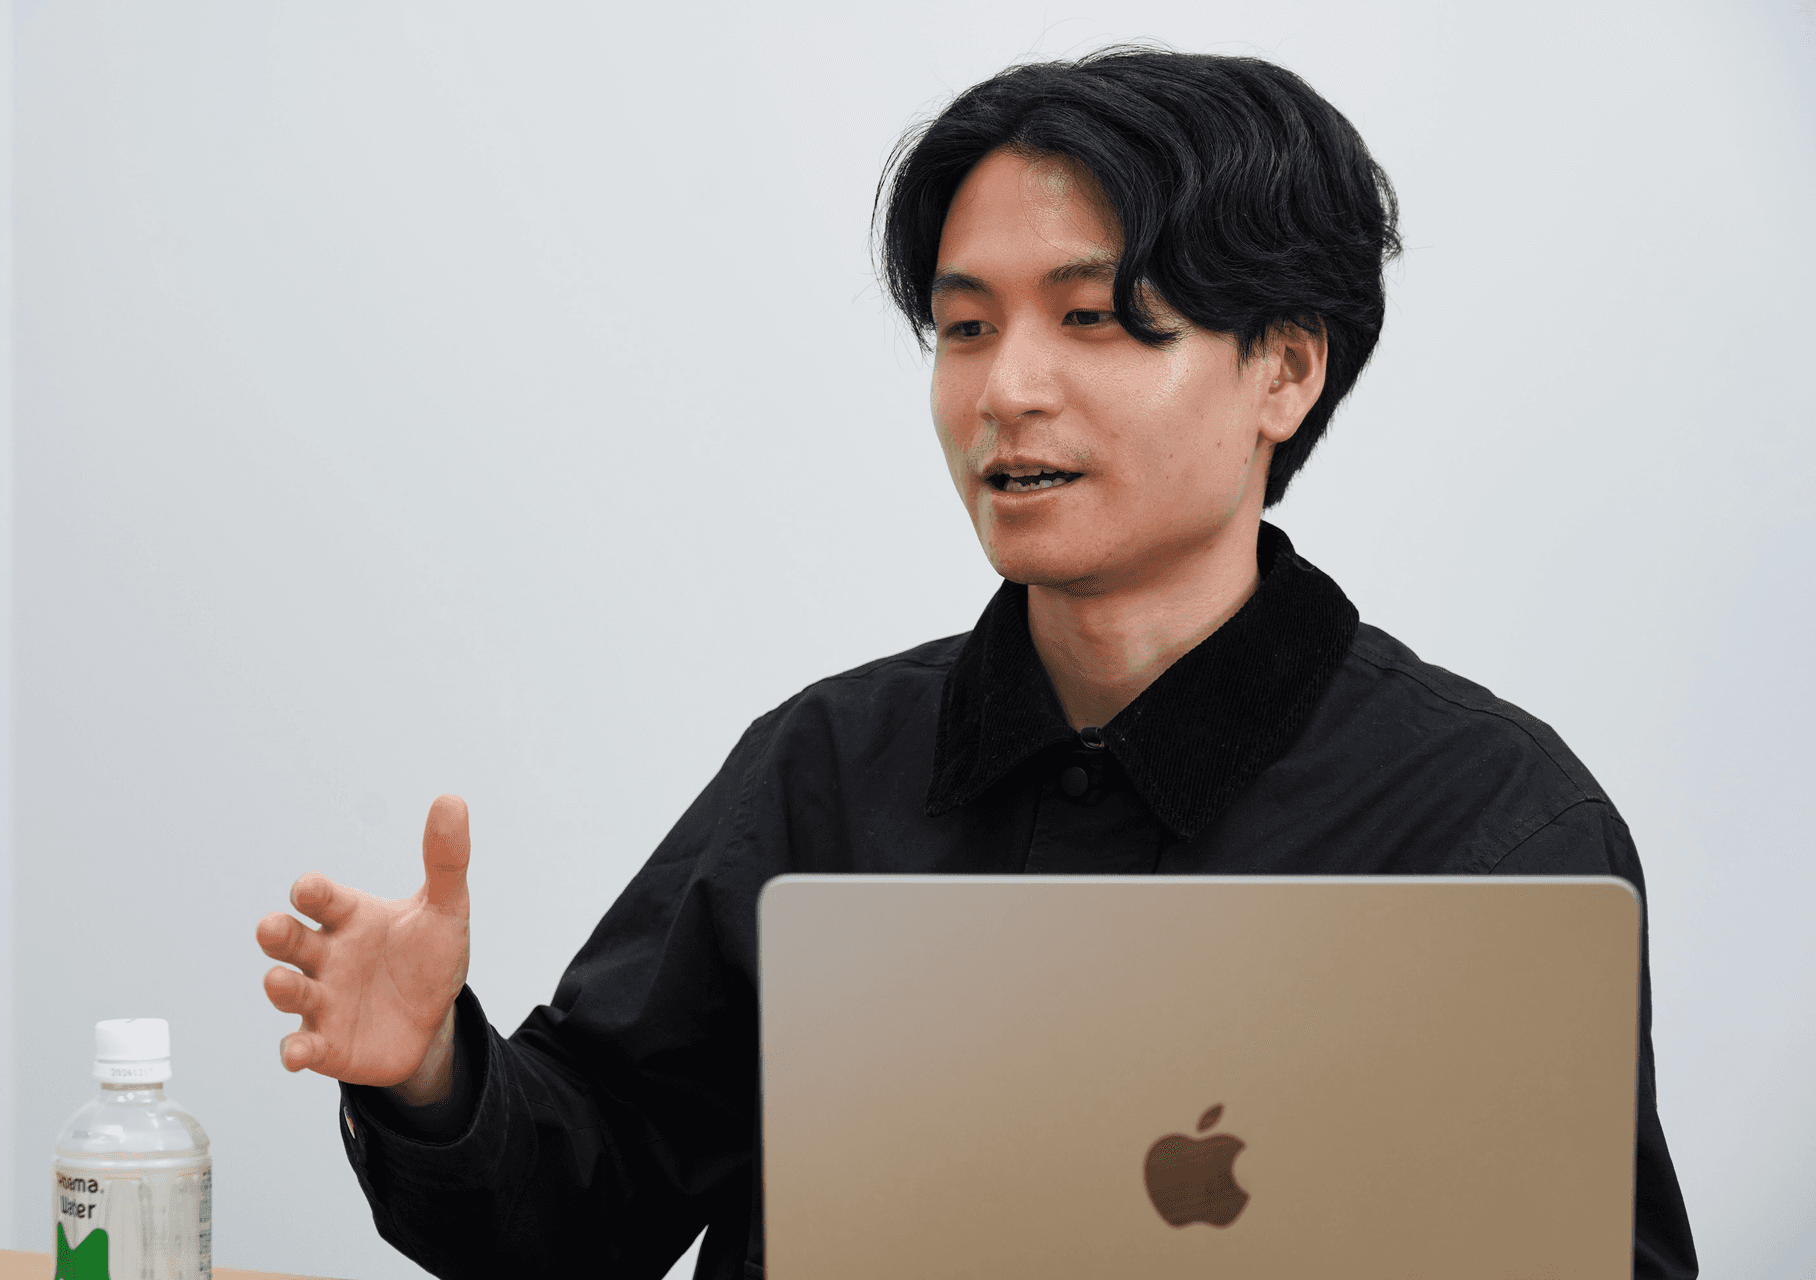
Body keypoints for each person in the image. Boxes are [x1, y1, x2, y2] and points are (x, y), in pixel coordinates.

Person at [255, 46, 1697, 1279]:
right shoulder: (827, 766)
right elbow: (588, 1199)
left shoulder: (1488, 825)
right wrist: (435, 1071)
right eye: (963, 326)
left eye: (1093, 318)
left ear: (1286, 368)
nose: (1006, 389)